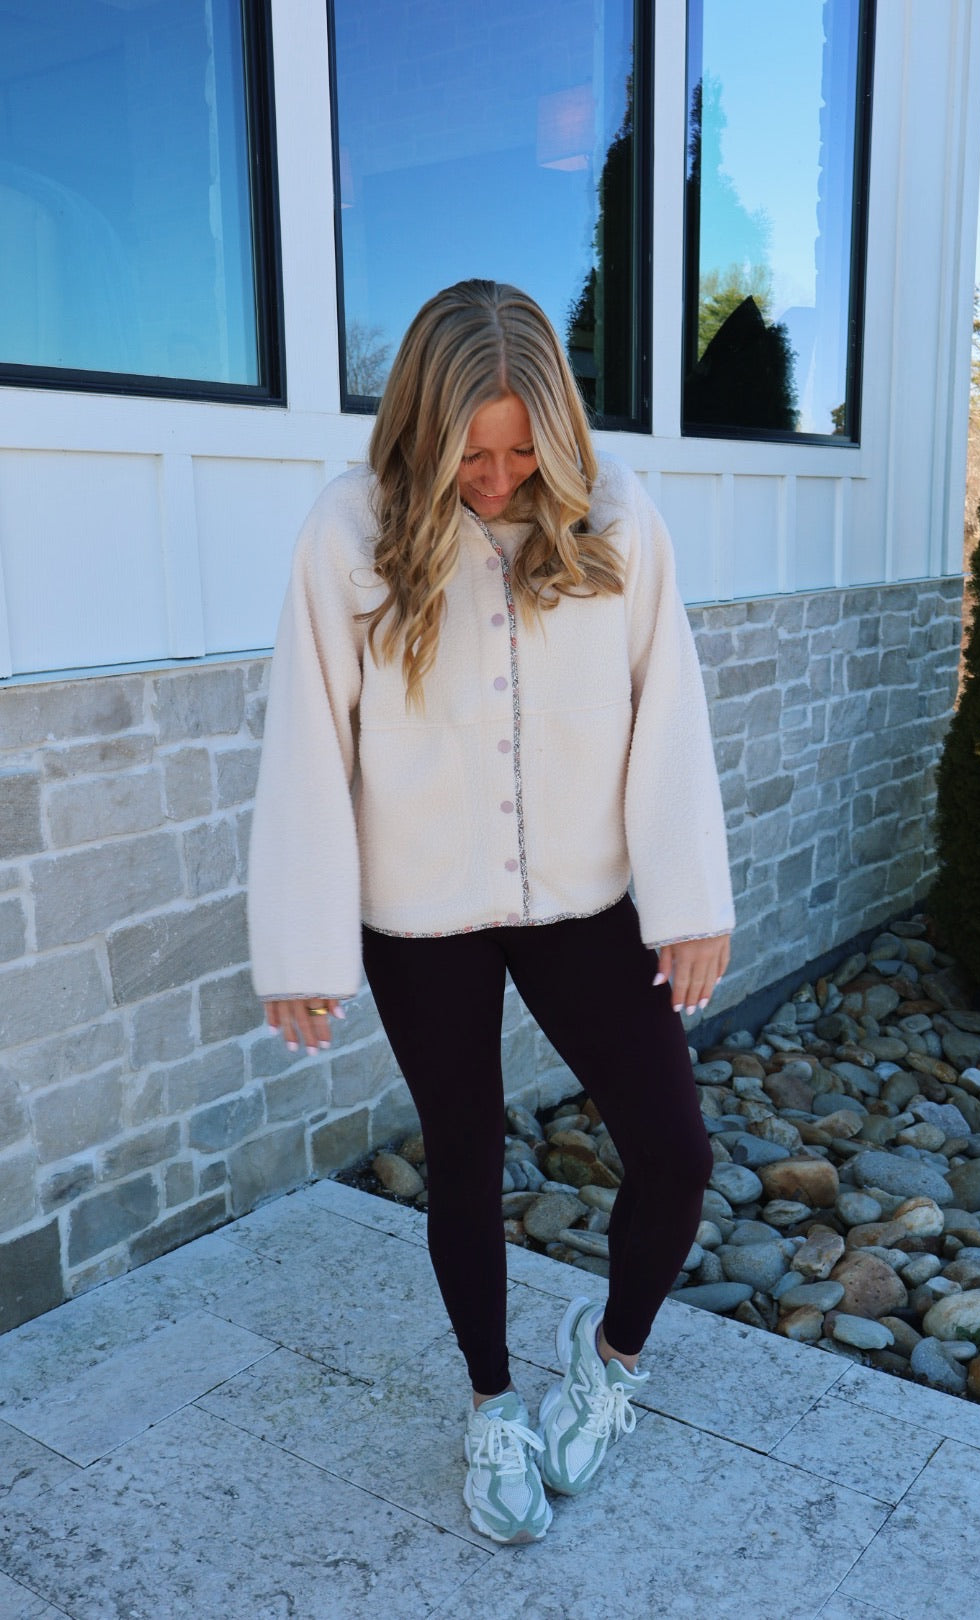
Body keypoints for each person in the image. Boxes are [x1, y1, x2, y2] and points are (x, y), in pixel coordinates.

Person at [247, 279, 734, 1546]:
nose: (501, 480)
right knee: (463, 1157)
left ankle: (610, 1362)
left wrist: (690, 902)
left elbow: (669, 712)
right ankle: (493, 1405)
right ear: (422, 431)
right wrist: (301, 943)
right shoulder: (349, 533)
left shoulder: (617, 518)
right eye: (473, 456)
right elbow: (308, 739)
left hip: (584, 902)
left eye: (522, 452)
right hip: (423, 915)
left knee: (676, 1152)